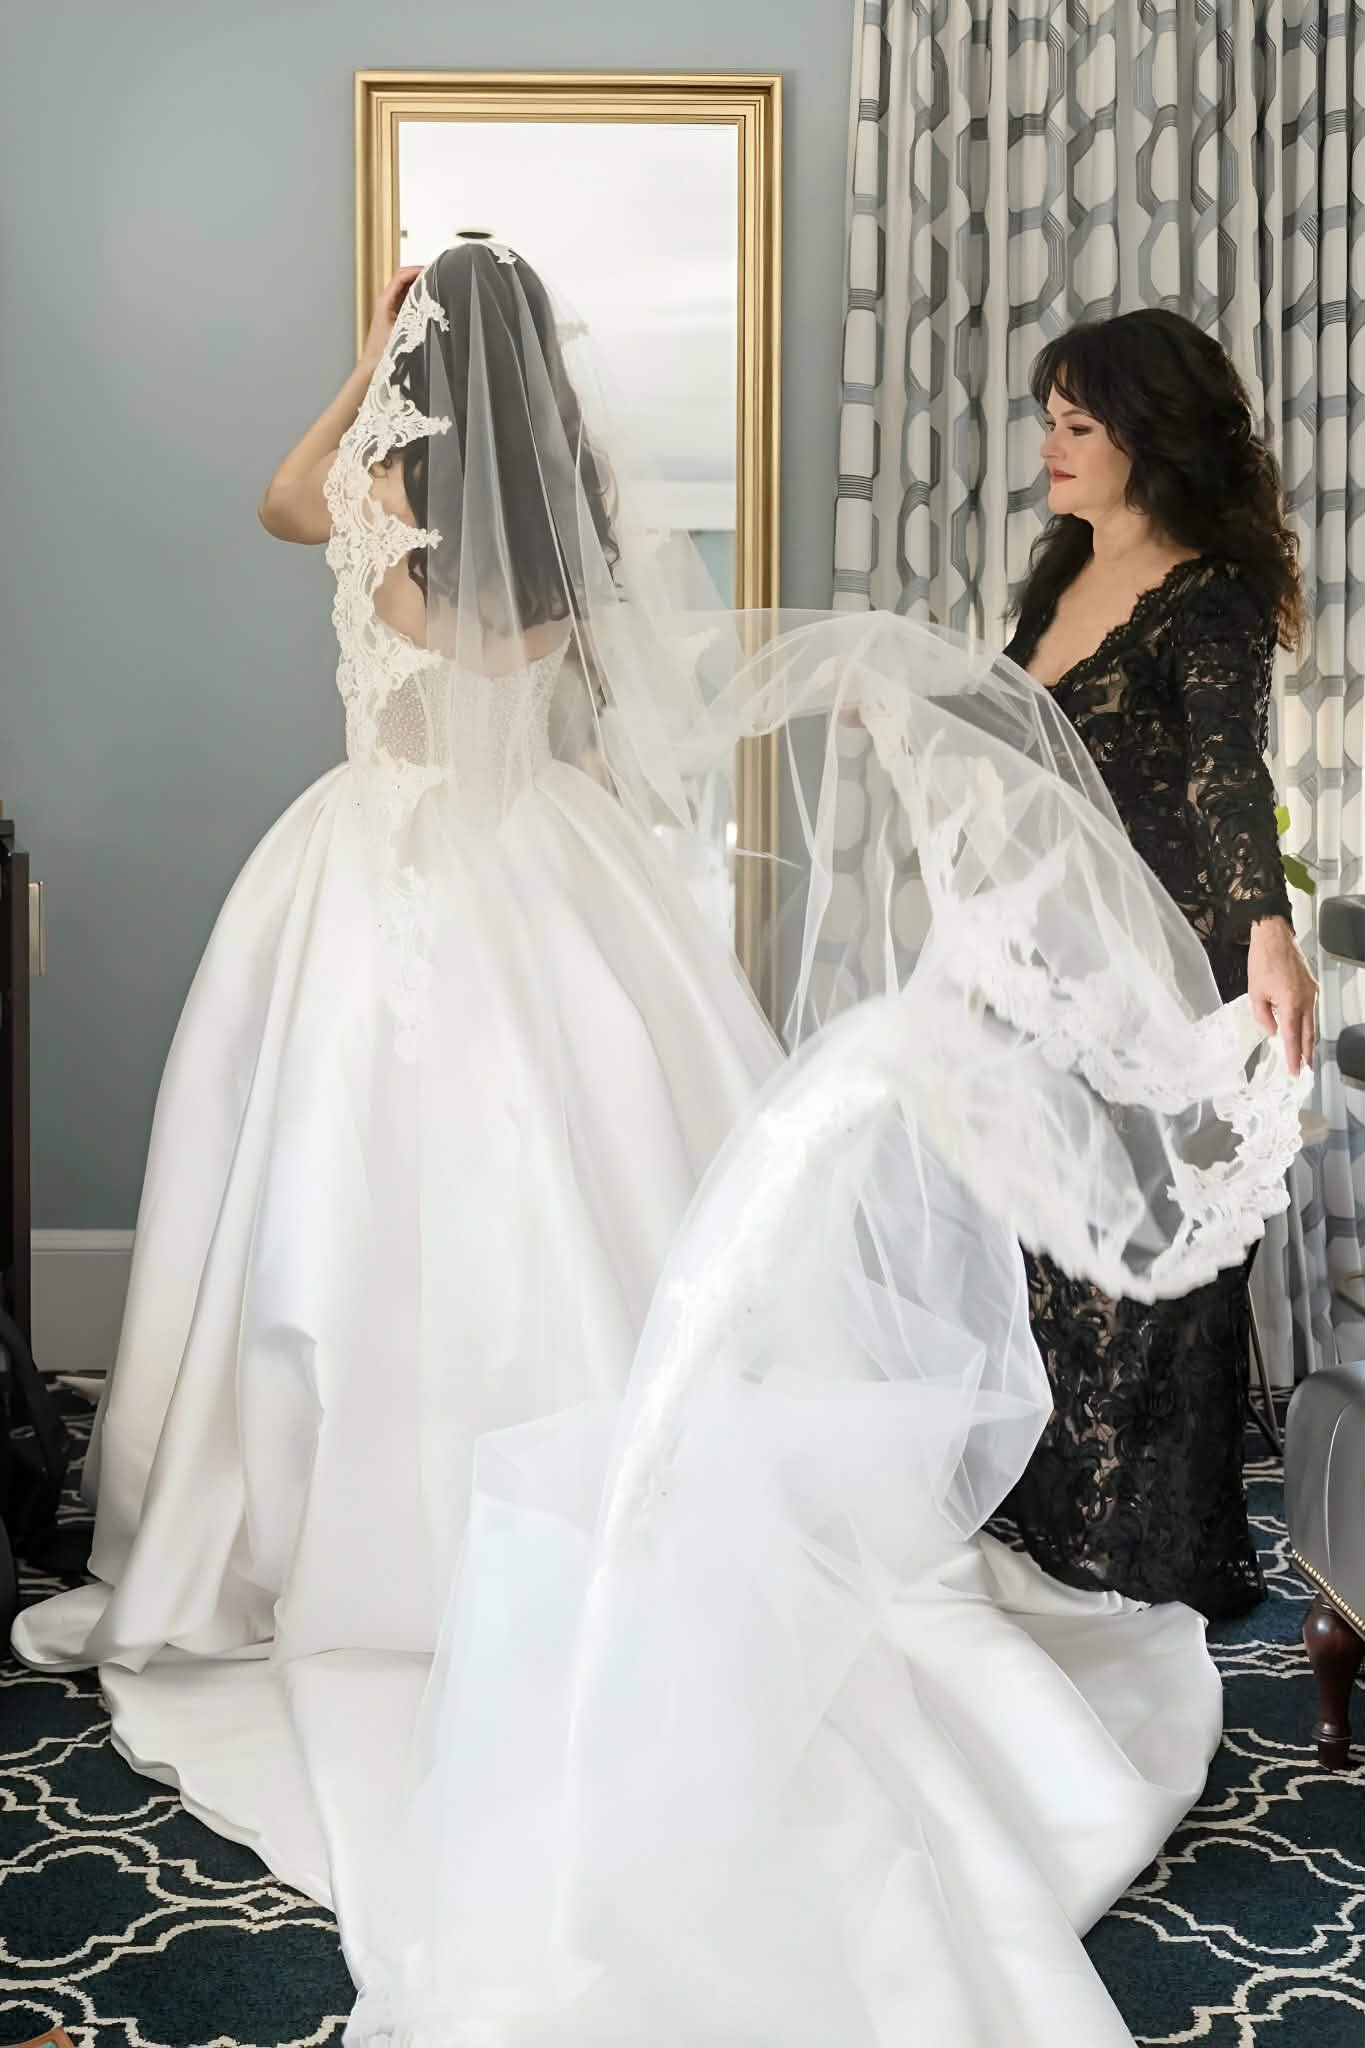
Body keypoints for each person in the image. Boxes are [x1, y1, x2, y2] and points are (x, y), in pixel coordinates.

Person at [12, 245, 1309, 2046]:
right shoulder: (580, 526)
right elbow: (568, 672)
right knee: (598, 1193)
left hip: (383, 874)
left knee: (349, 1208)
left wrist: (362, 377)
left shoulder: (377, 502)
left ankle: (354, 1528)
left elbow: (276, 502)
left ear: (415, 371)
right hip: (551, 871)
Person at [1000, 308, 1319, 1619]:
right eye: (1049, 422)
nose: (1050, 446)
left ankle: (1147, 1567)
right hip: (1049, 973)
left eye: (1077, 425)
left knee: (1153, 1281)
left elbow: (1225, 774)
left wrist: (1268, 932)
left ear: (1148, 437)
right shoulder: (1057, 575)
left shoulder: (1207, 593)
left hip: (1166, 982)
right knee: (1050, 1258)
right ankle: (1055, 1540)